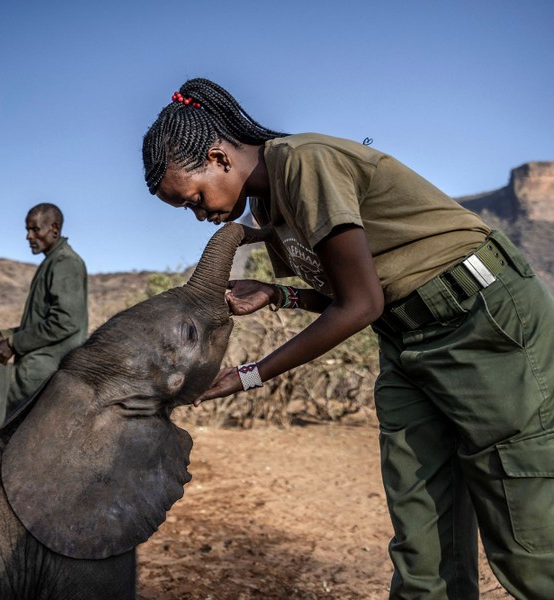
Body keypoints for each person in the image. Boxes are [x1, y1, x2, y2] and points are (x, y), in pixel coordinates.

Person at [142, 78, 554, 599]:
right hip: (405, 339)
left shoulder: (303, 162)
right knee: (422, 536)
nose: (200, 215)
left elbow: (360, 305)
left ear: (219, 157)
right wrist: (278, 294)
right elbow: (349, 293)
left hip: (481, 321)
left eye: (193, 199)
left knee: (523, 529)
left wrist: (247, 376)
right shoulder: (270, 211)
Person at [0, 203, 88, 417]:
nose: (29, 236)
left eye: (35, 229)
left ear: (55, 229)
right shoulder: (51, 262)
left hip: (44, 376)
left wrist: (14, 343)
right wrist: (6, 336)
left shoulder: (65, 262)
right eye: (27, 230)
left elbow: (65, 321)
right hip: (35, 375)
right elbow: (41, 320)